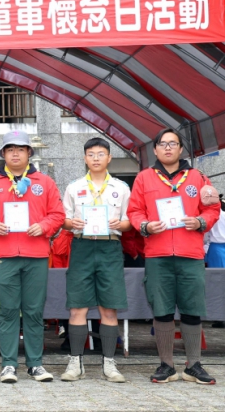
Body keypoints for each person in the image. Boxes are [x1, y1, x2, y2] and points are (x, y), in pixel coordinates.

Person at [0, 130, 65, 384]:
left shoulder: (44, 182)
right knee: (8, 311)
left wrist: (43, 227)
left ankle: (35, 364)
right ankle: (9, 365)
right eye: (10, 149)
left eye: (20, 149)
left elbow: (57, 214)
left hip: (36, 255)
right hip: (4, 255)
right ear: (3, 153)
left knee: (34, 312)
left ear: (29, 153)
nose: (15, 153)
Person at [128, 128, 220, 384]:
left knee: (192, 309)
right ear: (155, 149)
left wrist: (200, 221)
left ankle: (194, 365)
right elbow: (134, 211)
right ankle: (166, 365)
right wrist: (145, 226)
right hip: (157, 254)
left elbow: (213, 208)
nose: (168, 147)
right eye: (163, 143)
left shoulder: (199, 177)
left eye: (173, 143)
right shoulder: (144, 178)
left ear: (181, 149)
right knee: (162, 309)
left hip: (190, 254)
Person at [60, 138, 131, 383]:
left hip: (110, 246)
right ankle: (75, 362)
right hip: (81, 245)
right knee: (77, 306)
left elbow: (129, 221)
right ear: (85, 158)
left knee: (108, 307)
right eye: (91, 154)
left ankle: (109, 364)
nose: (96, 158)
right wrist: (72, 224)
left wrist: (119, 224)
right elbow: (64, 219)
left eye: (101, 154)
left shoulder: (121, 187)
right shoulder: (74, 187)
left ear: (109, 158)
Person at [204, 195, 225, 328]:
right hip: (219, 247)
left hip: (215, 248)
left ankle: (220, 316)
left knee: (217, 283)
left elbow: (206, 236)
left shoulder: (213, 217)